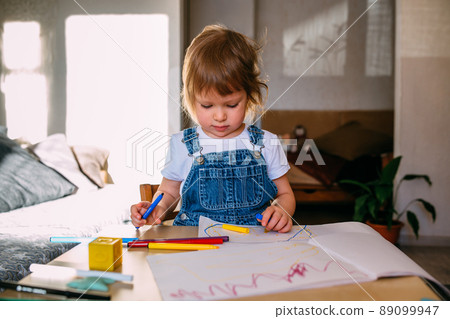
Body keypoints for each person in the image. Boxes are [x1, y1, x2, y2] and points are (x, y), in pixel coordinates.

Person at [130, 25, 295, 232]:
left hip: (253, 246)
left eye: (231, 105)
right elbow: (169, 193)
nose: (219, 116)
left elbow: (285, 195)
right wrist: (158, 208)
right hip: (195, 244)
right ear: (191, 99)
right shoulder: (182, 144)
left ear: (250, 95)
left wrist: (281, 211)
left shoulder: (266, 143)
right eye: (207, 106)